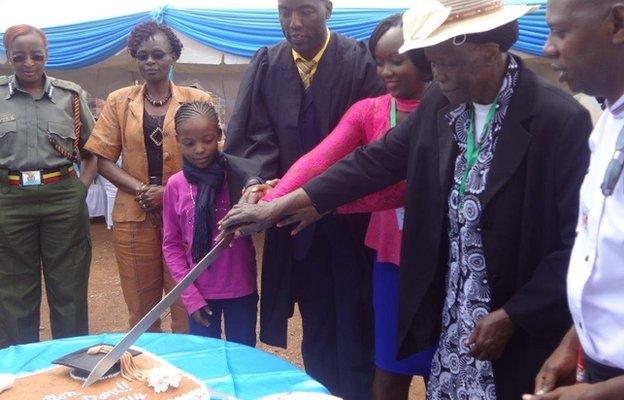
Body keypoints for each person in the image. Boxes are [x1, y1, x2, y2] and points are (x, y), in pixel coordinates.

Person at [219, 1, 594, 398]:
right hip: (455, 319)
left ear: (487, 53)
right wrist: (283, 201)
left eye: (444, 64)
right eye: (431, 62)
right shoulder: (445, 103)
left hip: (517, 324)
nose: (435, 75)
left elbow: (577, 246)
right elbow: (374, 161)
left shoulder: (558, 121)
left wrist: (514, 314)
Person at [260, 14, 434, 400]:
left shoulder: (450, 111)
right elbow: (319, 160)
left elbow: (404, 189)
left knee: (442, 363)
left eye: (397, 60)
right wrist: (272, 202)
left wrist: (325, 206)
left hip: (443, 259)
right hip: (390, 255)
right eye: (379, 62)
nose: (385, 71)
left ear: (425, 54)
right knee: (389, 364)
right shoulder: (369, 111)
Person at [224, 0, 385, 398]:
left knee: (357, 315)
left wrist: (327, 196)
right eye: (285, 11)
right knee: (315, 318)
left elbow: (376, 143)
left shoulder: (361, 61)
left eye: (306, 10)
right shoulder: (267, 63)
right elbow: (254, 136)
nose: (294, 23)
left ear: (328, 9)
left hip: (353, 215)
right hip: (293, 219)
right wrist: (257, 183)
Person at [85, 21, 213, 334]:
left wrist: (168, 192)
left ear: (173, 57)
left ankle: (186, 370)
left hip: (186, 213)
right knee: (141, 304)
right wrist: (144, 189)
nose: (149, 62)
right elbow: (101, 158)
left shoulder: (197, 100)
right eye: (142, 56)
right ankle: (145, 371)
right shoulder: (118, 101)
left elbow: (209, 156)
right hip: (134, 212)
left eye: (158, 54)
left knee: (187, 298)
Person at [524, 1, 624, 399]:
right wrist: (574, 341)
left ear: (618, 23)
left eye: (561, 32)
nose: (547, 48)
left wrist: (606, 392)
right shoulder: (607, 125)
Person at [0, 24, 97, 348]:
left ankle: (70, 361)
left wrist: (80, 189)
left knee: (68, 287)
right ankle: (20, 370)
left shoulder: (70, 97)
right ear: (8, 56)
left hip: (62, 199)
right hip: (9, 201)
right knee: (13, 290)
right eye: (19, 56)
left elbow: (92, 151)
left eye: (36, 55)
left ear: (46, 55)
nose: (28, 62)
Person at [162, 101, 260, 347]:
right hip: (200, 293)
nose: (200, 149)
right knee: (207, 358)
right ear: (177, 140)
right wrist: (190, 296)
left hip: (241, 289)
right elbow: (171, 245)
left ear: (219, 134)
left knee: (243, 353)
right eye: (189, 143)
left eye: (207, 140)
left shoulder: (239, 178)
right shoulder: (175, 185)